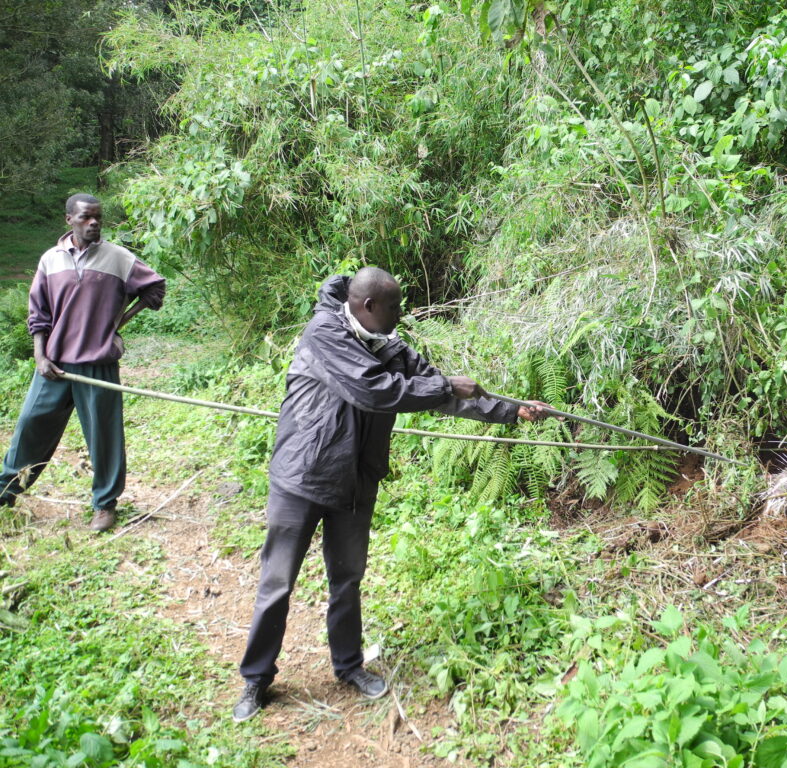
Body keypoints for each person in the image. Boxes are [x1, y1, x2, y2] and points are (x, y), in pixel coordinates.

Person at [232, 267, 549, 722]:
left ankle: (349, 666)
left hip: (356, 480)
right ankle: (256, 679)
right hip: (301, 478)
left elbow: (442, 394)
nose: (402, 315)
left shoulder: (390, 346)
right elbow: (372, 390)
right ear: (368, 307)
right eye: (396, 308)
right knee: (278, 583)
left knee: (347, 579)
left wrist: (511, 410)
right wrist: (442, 385)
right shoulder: (325, 333)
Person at [0, 194, 166, 531]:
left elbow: (154, 289)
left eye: (98, 218)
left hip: (97, 363)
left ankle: (105, 505)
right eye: (86, 218)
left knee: (104, 436)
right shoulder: (51, 260)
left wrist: (117, 323)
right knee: (31, 425)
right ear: (69, 220)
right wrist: (40, 354)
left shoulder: (118, 258)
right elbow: (39, 313)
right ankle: (5, 492)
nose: (94, 224)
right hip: (55, 365)